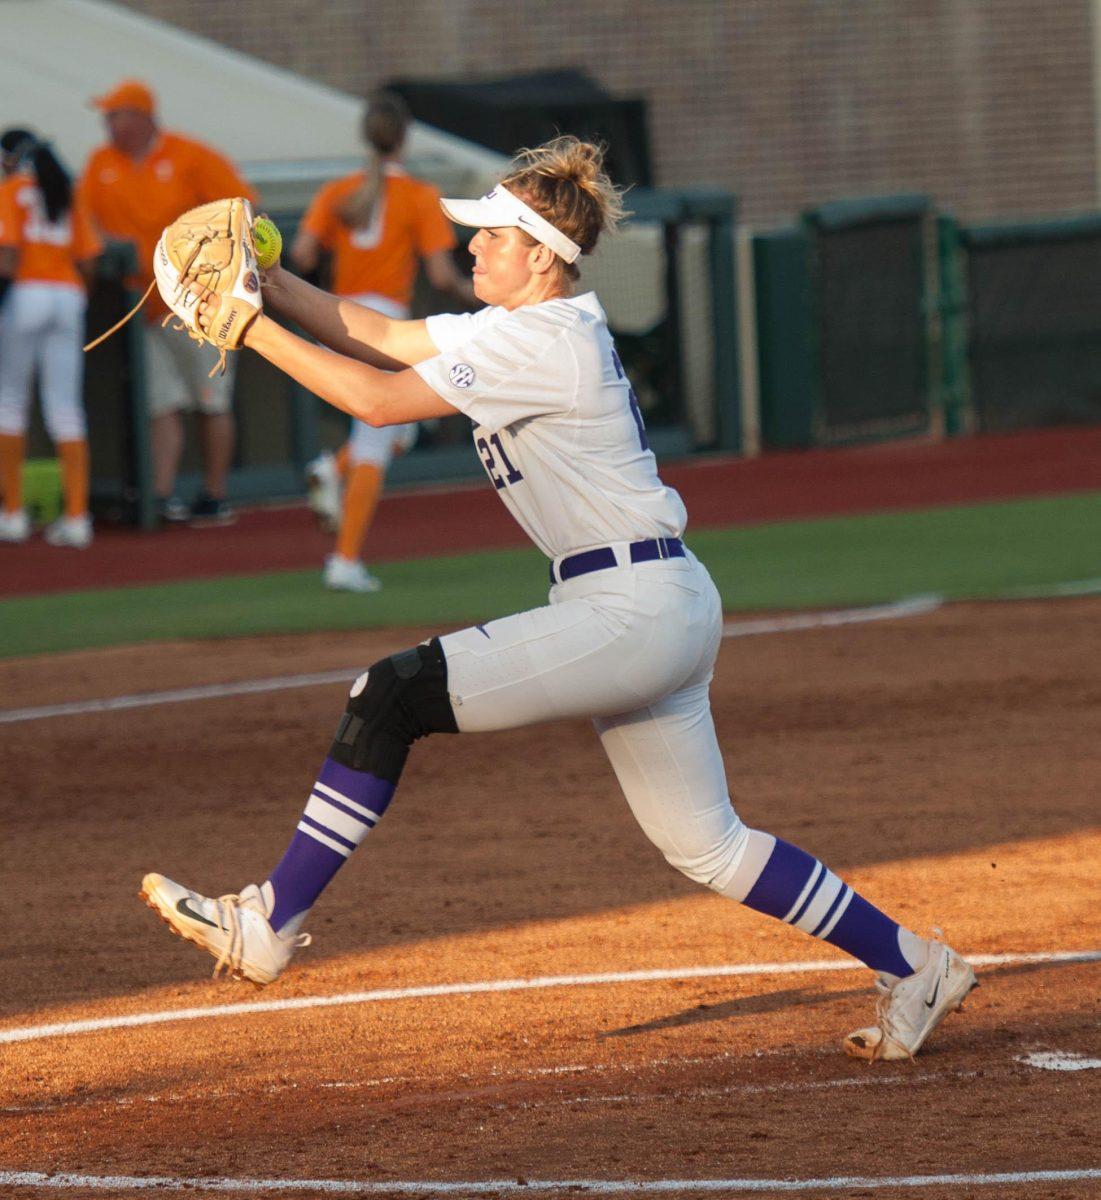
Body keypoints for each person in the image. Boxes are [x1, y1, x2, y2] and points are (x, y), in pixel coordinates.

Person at [140, 136, 977, 1063]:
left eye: (491, 237)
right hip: (657, 599)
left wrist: (247, 329)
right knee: (708, 848)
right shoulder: (528, 329)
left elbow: (376, 402)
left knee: (392, 693)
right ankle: (913, 961)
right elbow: (378, 334)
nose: (472, 249)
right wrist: (265, 279)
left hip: (628, 608)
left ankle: (269, 920)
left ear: (541, 254)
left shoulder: (542, 341)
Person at [291, 90, 474, 593]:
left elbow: (302, 255)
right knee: (379, 440)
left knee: (397, 431)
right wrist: (470, 291)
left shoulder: (338, 191)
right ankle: (344, 560)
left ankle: (330, 469)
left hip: (338, 320)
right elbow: (441, 275)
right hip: (386, 329)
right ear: (404, 138)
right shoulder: (417, 194)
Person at [79, 79, 257, 525]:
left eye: (116, 114)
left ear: (141, 117)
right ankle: (160, 494)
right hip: (143, 307)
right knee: (161, 403)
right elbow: (81, 222)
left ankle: (215, 494)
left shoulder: (189, 155)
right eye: (107, 115)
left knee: (211, 400)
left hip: (201, 303)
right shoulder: (101, 163)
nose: (109, 123)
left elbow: (243, 209)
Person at [0, 129, 101, 547]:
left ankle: (14, 514)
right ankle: (77, 516)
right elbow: (90, 259)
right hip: (68, 294)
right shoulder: (65, 187)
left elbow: (7, 253)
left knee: (9, 402)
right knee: (66, 408)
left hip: (26, 293)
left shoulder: (14, 189)